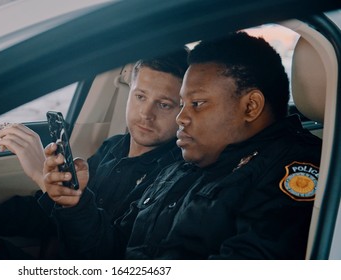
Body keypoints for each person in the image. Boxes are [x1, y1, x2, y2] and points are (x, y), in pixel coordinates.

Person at [42, 31, 322, 259]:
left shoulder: (291, 172)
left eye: (197, 104)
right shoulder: (188, 164)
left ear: (250, 106)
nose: (180, 117)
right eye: (182, 104)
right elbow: (117, 251)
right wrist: (77, 204)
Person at [0, 49, 189, 259]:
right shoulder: (113, 148)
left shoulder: (175, 177)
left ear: (183, 110)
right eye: (140, 96)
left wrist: (62, 192)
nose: (146, 113)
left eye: (163, 105)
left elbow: (108, 256)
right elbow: (48, 213)